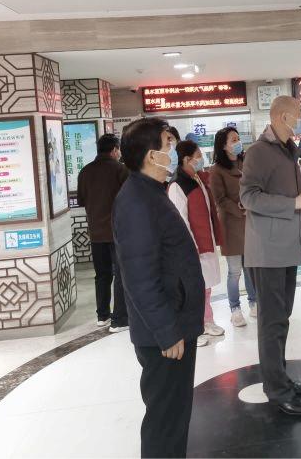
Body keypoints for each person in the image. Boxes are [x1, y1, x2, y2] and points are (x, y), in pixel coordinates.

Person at [112, 117, 205, 458]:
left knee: (174, 415)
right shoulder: (136, 201)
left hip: (175, 322)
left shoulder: (150, 191)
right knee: (165, 420)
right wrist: (167, 332)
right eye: (168, 143)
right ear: (151, 155)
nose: (173, 150)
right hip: (165, 333)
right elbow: (139, 277)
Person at [240, 95, 301, 417]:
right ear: (283, 117)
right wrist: (291, 204)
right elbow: (248, 196)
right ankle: (276, 390)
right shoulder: (259, 151)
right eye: (298, 114)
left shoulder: (288, 150)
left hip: (287, 249)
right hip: (267, 251)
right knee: (271, 323)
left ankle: (280, 378)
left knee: (281, 319)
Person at [168, 140, 225, 347]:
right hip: (191, 248)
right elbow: (180, 222)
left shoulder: (197, 178)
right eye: (198, 155)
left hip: (204, 242)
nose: (202, 159)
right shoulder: (178, 185)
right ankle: (192, 329)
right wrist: (191, 247)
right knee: (192, 290)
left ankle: (206, 321)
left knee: (205, 287)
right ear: (186, 159)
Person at [77, 133, 129, 332]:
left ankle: (103, 315)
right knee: (120, 274)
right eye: (119, 150)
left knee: (102, 275)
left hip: (95, 234)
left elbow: (81, 200)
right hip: (117, 232)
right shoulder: (120, 170)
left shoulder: (85, 171)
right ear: (115, 150)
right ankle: (120, 319)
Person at [209, 127, 257, 327]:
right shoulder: (216, 170)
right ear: (223, 145)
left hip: (250, 222)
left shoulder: (245, 162)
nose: (238, 143)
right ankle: (235, 309)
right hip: (231, 224)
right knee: (235, 270)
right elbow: (219, 199)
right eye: (233, 140)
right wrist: (239, 208)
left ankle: (254, 303)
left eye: (238, 138)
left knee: (251, 268)